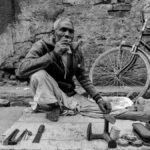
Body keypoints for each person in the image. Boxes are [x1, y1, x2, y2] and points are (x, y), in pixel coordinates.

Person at [16, 17, 112, 121]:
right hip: (48, 94)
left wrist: (98, 99)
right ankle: (53, 106)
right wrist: (53, 55)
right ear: (54, 33)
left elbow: (82, 77)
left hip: (67, 95)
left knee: (103, 111)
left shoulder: (76, 50)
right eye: (63, 30)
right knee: (38, 74)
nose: (67, 34)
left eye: (70, 31)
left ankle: (62, 107)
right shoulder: (42, 45)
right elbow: (22, 70)